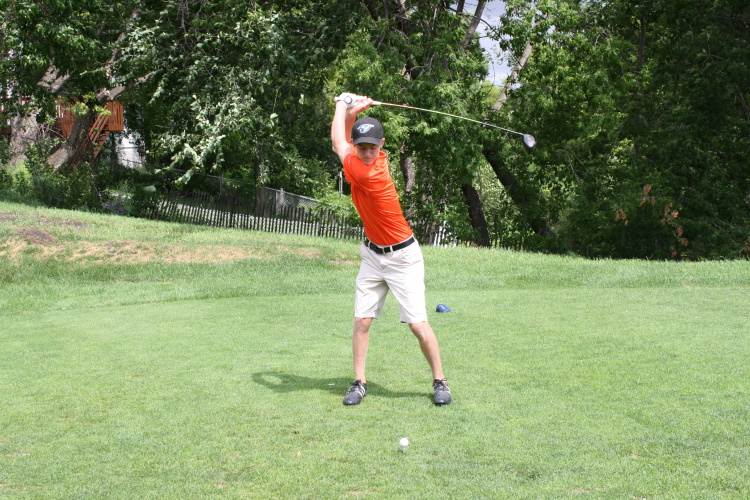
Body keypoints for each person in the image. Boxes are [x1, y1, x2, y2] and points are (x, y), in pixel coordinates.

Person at [330, 92, 451, 406]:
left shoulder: (371, 172)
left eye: (372, 147)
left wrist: (342, 104)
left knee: (417, 324)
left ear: (381, 146)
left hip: (403, 257)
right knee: (362, 320)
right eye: (362, 148)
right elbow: (345, 139)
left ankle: (440, 381)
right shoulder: (359, 160)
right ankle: (359, 382)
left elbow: (338, 142)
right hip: (372, 254)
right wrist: (353, 112)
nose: (367, 153)